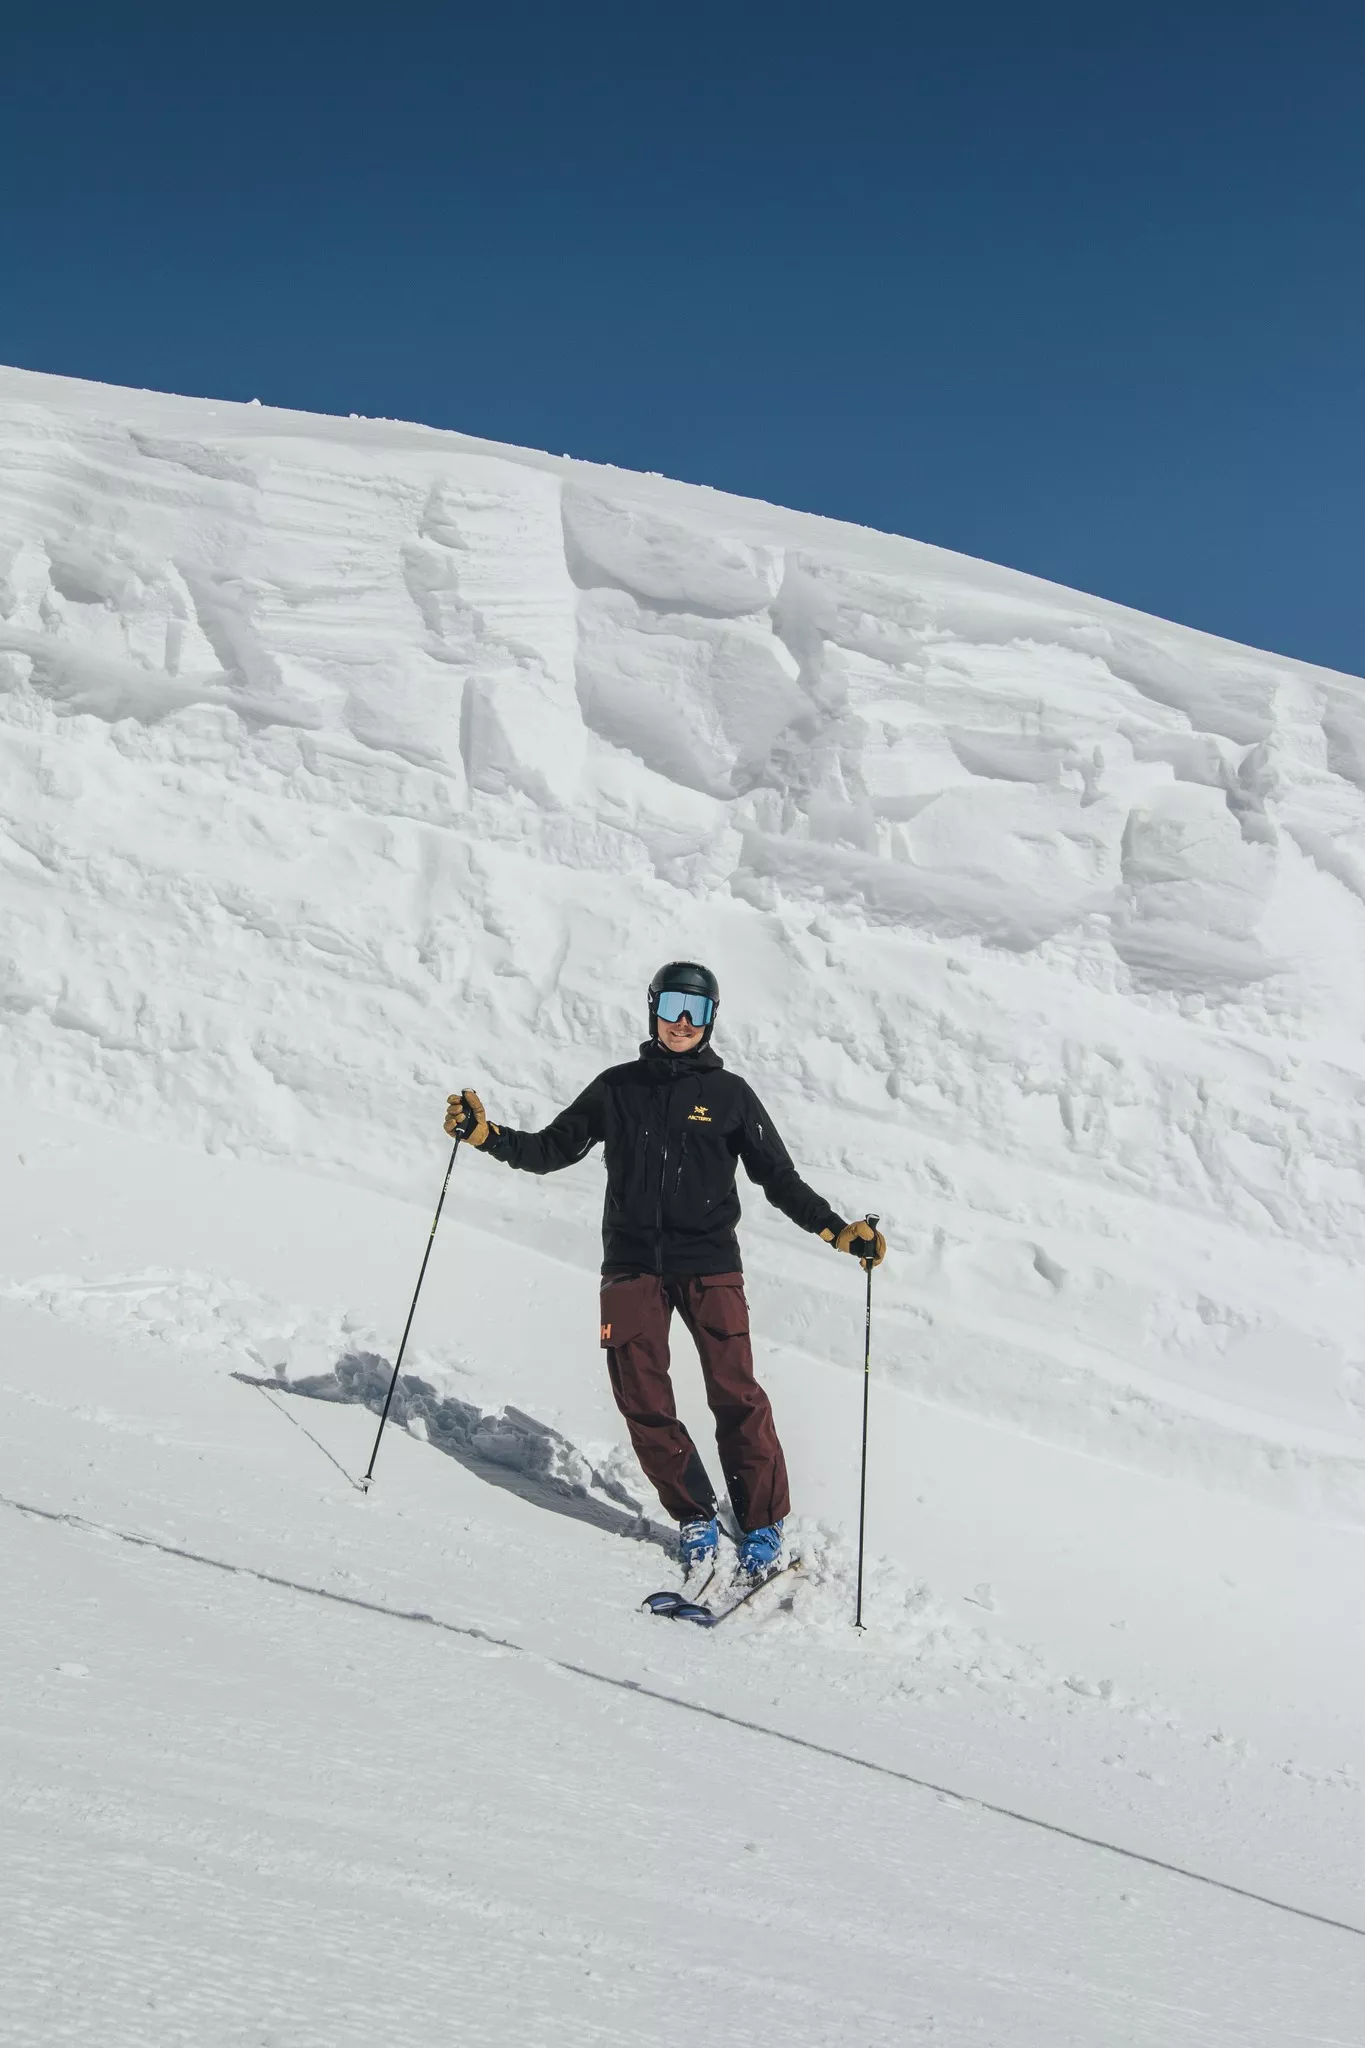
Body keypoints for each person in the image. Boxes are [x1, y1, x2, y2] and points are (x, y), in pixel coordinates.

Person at [445, 962, 886, 1583]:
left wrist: (837, 1229)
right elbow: (550, 1150)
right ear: (652, 1009)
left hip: (709, 1268)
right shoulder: (616, 1088)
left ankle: (760, 1523)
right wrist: (486, 1135)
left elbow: (778, 1179)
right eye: (673, 1005)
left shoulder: (731, 1096)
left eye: (696, 1010)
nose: (682, 1021)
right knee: (642, 1399)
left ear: (711, 1019)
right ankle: (694, 1514)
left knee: (735, 1394)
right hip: (630, 1268)